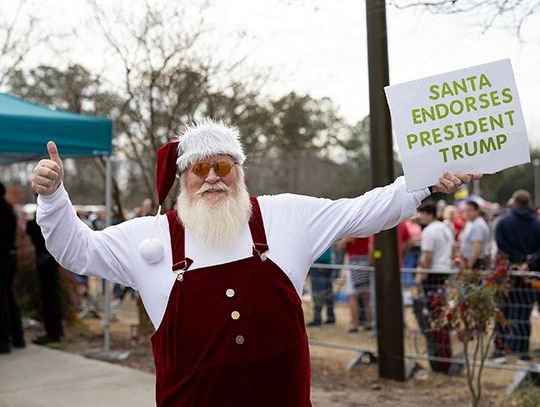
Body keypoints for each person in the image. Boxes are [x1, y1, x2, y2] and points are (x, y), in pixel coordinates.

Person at [31, 120, 477, 405]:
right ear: (184, 178)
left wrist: (425, 181)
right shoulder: (150, 237)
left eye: (223, 167)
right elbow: (77, 250)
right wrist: (53, 197)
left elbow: (363, 209)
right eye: (199, 169)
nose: (211, 178)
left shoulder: (286, 216)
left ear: (239, 171)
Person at [494, 189, 540, 364]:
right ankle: (522, 353)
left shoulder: (504, 222)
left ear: (514, 202)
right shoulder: (537, 223)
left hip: (506, 273)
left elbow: (501, 244)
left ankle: (500, 351)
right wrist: (528, 261)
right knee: (523, 312)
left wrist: (518, 260)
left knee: (501, 311)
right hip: (529, 274)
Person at [415, 202, 454, 374]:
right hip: (444, 271)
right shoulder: (445, 228)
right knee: (440, 311)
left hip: (432, 274)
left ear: (429, 214)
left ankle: (439, 353)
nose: (419, 217)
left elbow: (427, 256)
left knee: (433, 314)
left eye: (422, 214)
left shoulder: (429, 231)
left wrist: (421, 275)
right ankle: (442, 349)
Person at [26, 213, 64, 345]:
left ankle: (54, 331)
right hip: (48, 260)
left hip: (47, 261)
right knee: (51, 296)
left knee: (50, 297)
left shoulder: (46, 216)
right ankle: (55, 330)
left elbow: (33, 231)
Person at [0, 182, 25, 353]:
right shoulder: (8, 209)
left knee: (3, 298)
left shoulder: (3, 211)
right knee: (8, 295)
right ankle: (17, 336)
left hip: (2, 259)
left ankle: (4, 339)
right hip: (9, 257)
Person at [306, 246, 336, 326]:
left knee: (318, 293)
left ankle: (317, 318)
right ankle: (331, 316)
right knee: (328, 292)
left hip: (318, 264)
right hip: (328, 264)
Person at [459, 200, 490, 269]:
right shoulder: (472, 223)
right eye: (465, 211)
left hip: (476, 262)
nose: (467, 213)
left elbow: (476, 248)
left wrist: (469, 266)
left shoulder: (478, 225)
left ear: (477, 211)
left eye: (469, 210)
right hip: (473, 261)